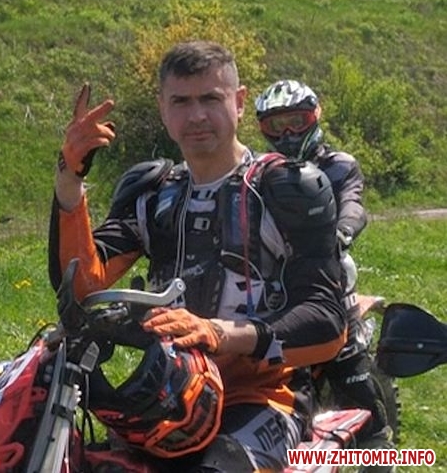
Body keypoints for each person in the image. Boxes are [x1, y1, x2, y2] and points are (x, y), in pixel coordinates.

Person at [49, 41, 347, 471]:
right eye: (181, 102)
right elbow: (82, 284)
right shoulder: (154, 193)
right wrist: (69, 180)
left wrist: (219, 332)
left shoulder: (287, 189)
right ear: (162, 108)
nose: (196, 116)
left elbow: (328, 323)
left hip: (261, 395)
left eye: (211, 99)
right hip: (166, 390)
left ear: (239, 102)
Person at [255, 80, 392, 449]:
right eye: (276, 125)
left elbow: (354, 204)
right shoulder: (260, 171)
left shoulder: (338, 165)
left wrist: (341, 233)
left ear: (314, 118)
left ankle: (378, 448)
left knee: (352, 375)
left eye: (296, 121)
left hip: (329, 278)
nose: (287, 133)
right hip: (273, 285)